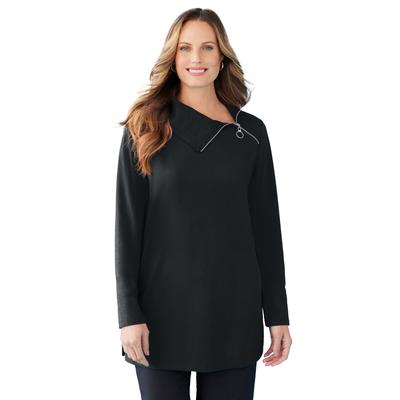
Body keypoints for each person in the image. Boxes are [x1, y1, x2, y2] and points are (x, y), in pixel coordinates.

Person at [115, 7, 292, 400]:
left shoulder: (251, 133)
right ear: (172, 56)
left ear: (222, 55)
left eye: (207, 47)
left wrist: (277, 314)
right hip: (158, 314)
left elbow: (267, 230)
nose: (196, 58)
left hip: (234, 311)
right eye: (185, 48)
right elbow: (127, 229)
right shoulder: (144, 127)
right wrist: (129, 315)